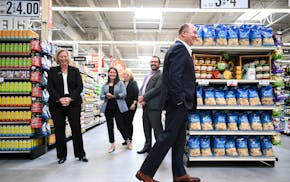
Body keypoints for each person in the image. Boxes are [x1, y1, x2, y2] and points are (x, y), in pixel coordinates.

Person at [136, 23, 201, 182]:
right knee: (167, 137)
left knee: (179, 138)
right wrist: (179, 100)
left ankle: (179, 174)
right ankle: (145, 172)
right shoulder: (179, 49)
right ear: (183, 33)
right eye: (194, 32)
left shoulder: (181, 49)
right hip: (178, 103)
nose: (196, 35)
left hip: (179, 103)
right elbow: (175, 77)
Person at [47, 49, 88, 164]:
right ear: (57, 58)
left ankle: (80, 154)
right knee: (59, 130)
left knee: (76, 128)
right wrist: (60, 99)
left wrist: (70, 98)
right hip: (57, 104)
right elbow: (50, 87)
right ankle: (61, 156)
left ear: (68, 57)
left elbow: (79, 87)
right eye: (61, 57)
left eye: (65, 56)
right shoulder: (52, 71)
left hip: (73, 103)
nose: (63, 59)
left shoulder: (75, 70)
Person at [137, 56, 163, 154]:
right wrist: (140, 96)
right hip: (145, 106)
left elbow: (157, 89)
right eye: (152, 61)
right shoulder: (148, 75)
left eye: (155, 62)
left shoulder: (161, 74)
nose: (153, 63)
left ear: (159, 64)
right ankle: (147, 146)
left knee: (157, 129)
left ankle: (159, 150)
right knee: (146, 127)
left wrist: (144, 97)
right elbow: (142, 88)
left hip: (154, 106)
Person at [100, 67, 129, 153]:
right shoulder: (105, 85)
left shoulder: (120, 83)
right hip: (108, 108)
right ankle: (112, 144)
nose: (112, 74)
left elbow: (124, 94)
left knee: (120, 125)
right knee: (110, 127)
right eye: (111, 72)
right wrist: (106, 96)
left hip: (118, 107)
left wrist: (115, 96)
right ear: (108, 74)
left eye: (114, 72)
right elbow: (101, 96)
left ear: (116, 74)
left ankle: (127, 140)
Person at [121, 69, 139, 149]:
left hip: (131, 106)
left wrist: (134, 104)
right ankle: (126, 138)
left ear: (129, 75)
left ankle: (129, 139)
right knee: (122, 123)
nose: (123, 76)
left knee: (128, 122)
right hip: (122, 106)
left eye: (125, 74)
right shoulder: (122, 83)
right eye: (123, 74)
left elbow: (136, 93)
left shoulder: (133, 83)